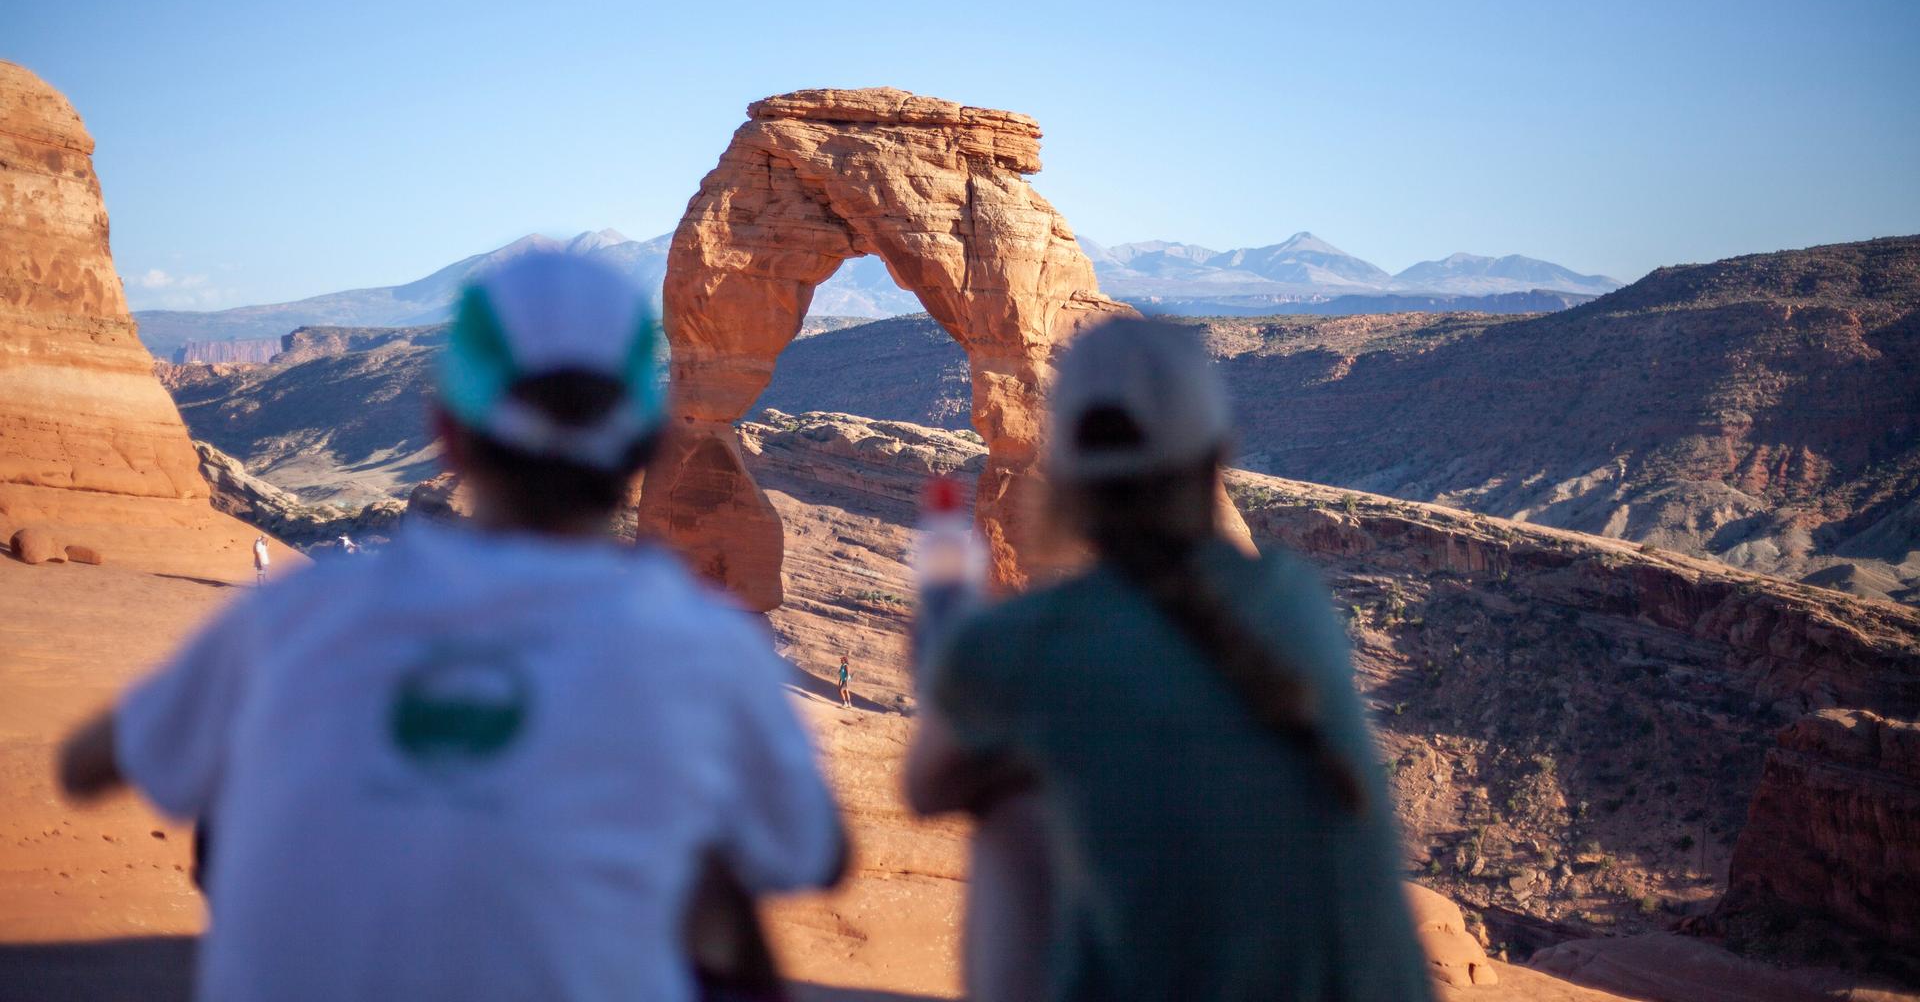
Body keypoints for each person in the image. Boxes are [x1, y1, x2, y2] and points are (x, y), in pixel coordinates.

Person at [57, 251, 844, 1002]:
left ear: (446, 428)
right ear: (644, 442)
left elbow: (89, 766)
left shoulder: (298, 614)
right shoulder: (702, 649)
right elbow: (814, 853)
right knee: (711, 878)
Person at [905, 316, 1433, 1001]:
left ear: (1059, 475)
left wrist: (947, 654)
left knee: (1003, 803)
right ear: (1220, 455)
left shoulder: (1023, 643)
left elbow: (926, 790)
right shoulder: (1292, 594)